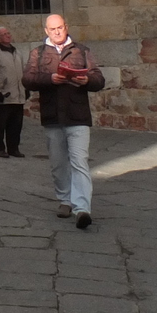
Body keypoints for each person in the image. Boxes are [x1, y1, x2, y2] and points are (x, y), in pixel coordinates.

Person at [21, 13, 105, 229]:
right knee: (58, 164)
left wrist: (86, 80)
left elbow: (98, 79)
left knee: (80, 161)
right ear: (46, 31)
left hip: (78, 116)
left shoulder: (82, 50)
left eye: (60, 27)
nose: (57, 32)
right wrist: (49, 79)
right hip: (52, 116)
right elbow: (27, 79)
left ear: (66, 27)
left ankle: (82, 208)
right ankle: (65, 200)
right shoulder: (38, 53)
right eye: (52, 29)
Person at [0, 26, 26, 158]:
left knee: (16, 125)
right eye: (4, 34)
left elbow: (22, 73)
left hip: (18, 96)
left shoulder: (17, 53)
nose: (8, 35)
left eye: (8, 33)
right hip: (4, 95)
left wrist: (26, 88)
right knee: (0, 125)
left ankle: (13, 148)